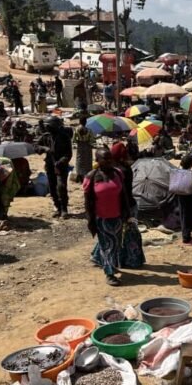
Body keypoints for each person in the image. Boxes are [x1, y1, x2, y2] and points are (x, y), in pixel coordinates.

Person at [84, 148, 131, 285]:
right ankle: (109, 274)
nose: (109, 160)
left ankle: (100, 259)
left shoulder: (118, 173)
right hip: (100, 218)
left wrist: (126, 212)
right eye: (105, 158)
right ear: (97, 160)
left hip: (117, 216)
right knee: (108, 245)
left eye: (110, 157)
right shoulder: (91, 177)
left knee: (115, 244)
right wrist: (90, 220)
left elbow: (124, 194)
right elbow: (87, 201)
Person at [36, 115, 72, 218]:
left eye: (49, 126)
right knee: (52, 187)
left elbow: (68, 154)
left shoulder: (64, 137)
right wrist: (44, 148)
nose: (47, 128)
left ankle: (64, 208)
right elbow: (35, 146)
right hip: (50, 165)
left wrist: (60, 162)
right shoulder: (46, 136)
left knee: (61, 187)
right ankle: (57, 207)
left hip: (61, 166)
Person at [176, 154, 192, 246]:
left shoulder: (178, 172)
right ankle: (186, 238)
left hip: (180, 197)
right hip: (190, 198)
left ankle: (187, 236)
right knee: (189, 218)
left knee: (183, 216)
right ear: (191, 164)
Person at [73, 116, 96, 183]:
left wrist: (79, 142)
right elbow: (92, 140)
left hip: (80, 146)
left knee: (79, 160)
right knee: (87, 161)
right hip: (87, 146)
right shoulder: (89, 130)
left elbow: (74, 140)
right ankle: (87, 176)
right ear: (86, 122)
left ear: (79, 122)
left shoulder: (76, 129)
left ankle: (80, 176)